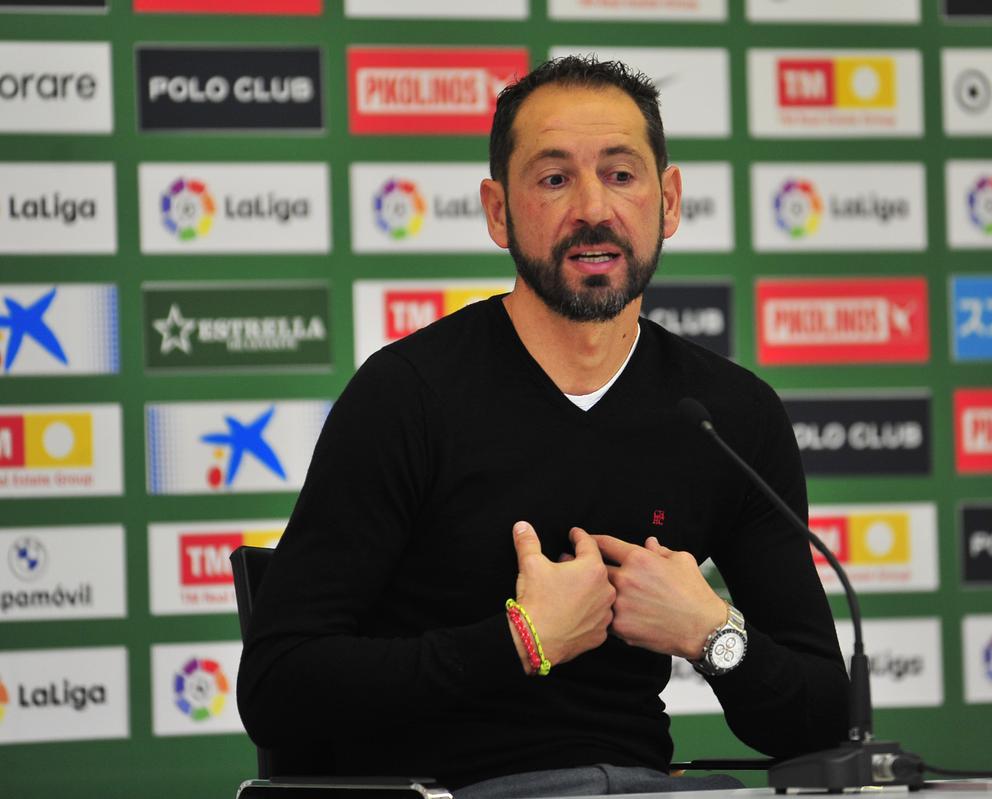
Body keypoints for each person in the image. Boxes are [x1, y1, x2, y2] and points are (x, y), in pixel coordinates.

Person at [238, 56, 848, 797]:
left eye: (622, 175)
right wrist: (519, 642)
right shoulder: (408, 395)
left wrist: (712, 632)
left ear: (670, 199)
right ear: (498, 211)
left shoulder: (729, 415)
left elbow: (821, 718)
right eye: (554, 178)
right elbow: (278, 684)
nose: (594, 208)